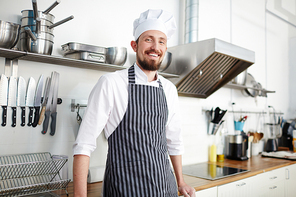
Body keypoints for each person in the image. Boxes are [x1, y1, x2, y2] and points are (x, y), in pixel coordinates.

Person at [73, 9, 196, 197]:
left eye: (161, 41)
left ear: (165, 49)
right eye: (148, 39)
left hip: (165, 189)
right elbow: (84, 144)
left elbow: (174, 141)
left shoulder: (169, 89)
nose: (155, 46)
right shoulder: (111, 83)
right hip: (125, 189)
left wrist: (181, 182)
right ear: (134, 45)